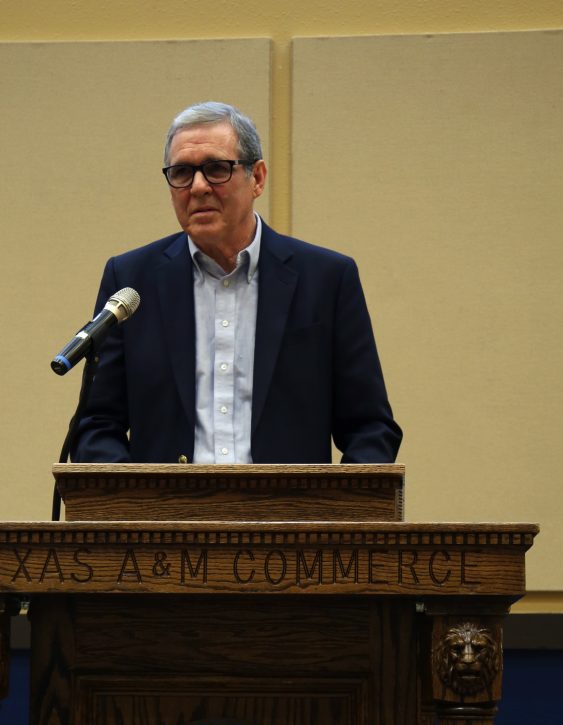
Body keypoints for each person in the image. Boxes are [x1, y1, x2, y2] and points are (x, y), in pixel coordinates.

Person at [70, 101, 402, 465]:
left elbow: (370, 429)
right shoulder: (132, 281)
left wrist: (330, 517)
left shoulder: (326, 279)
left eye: (216, 169)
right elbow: (97, 426)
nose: (197, 187)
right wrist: (140, 509)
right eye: (181, 172)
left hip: (289, 518)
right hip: (168, 518)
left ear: (257, 178)